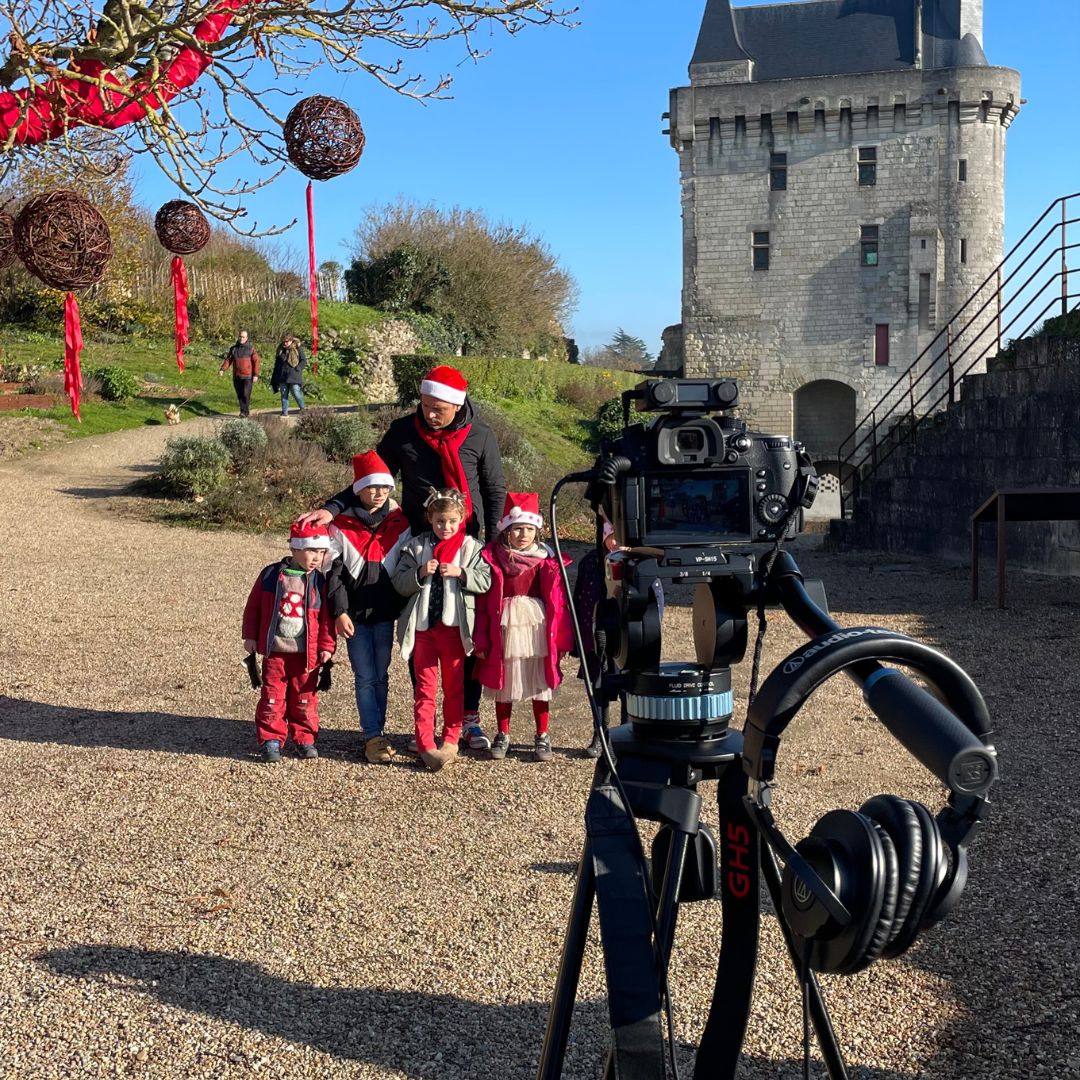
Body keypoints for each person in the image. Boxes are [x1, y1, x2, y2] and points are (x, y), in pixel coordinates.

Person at [297, 364, 506, 752]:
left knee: (467, 633)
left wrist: (492, 545)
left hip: (467, 545)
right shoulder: (402, 432)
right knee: (421, 630)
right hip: (417, 544)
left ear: (457, 406)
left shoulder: (481, 435)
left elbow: (494, 491)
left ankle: (469, 719)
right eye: (425, 405)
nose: (428, 413)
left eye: (437, 409)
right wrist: (332, 508)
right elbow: (373, 475)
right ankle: (423, 720)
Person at [392, 487, 492, 772]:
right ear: (429, 519)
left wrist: (462, 573)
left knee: (454, 688)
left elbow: (486, 581)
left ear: (461, 519)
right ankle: (424, 742)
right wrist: (419, 573)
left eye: (451, 521)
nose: (445, 527)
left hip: (453, 630)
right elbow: (399, 583)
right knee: (424, 689)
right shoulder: (415, 547)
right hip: (423, 631)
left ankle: (451, 739)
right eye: (439, 521)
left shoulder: (472, 549)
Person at [325, 451, 413, 765]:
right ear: (358, 488)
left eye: (384, 487)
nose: (377, 493)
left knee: (382, 675)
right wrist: (340, 611)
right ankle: (372, 734)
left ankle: (378, 730)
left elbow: (406, 568)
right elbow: (333, 575)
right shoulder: (340, 525)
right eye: (370, 487)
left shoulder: (400, 523)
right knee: (364, 675)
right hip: (355, 615)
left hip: (385, 614)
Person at [473, 492, 573, 762]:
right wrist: (480, 638)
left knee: (539, 681)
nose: (523, 535)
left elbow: (559, 602)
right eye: (517, 529)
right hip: (503, 625)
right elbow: (482, 603)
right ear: (506, 531)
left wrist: (562, 640)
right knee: (504, 680)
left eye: (529, 529)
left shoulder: (545, 559)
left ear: (536, 531)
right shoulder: (493, 558)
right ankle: (503, 733)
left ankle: (542, 734)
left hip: (535, 627)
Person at [242, 521, 337, 763]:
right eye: (310, 551)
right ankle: (271, 738)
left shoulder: (320, 582)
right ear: (294, 549)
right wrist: (251, 635)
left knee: (305, 696)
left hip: (307, 654)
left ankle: (305, 737)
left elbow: (326, 618)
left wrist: (327, 646)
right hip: (275, 650)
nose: (316, 558)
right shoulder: (271, 576)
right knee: (272, 695)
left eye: (320, 552)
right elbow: (253, 607)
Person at [219, 329, 260, 417]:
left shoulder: (251, 349)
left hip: (248, 376)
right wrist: (222, 369)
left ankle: (245, 411)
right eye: (240, 336)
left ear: (246, 338)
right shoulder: (233, 349)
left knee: (246, 394)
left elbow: (256, 362)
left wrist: (255, 374)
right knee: (240, 395)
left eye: (243, 337)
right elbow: (228, 360)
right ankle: (243, 412)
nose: (241, 338)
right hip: (237, 376)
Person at [271, 333, 308, 417]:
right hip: (282, 375)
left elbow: (303, 361)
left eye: (287, 341)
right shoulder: (280, 350)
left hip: (294, 375)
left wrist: (298, 368)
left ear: (291, 341)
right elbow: (277, 365)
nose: (285, 343)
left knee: (296, 392)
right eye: (284, 341)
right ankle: (284, 412)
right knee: (284, 393)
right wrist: (274, 378)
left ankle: (302, 408)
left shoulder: (298, 349)